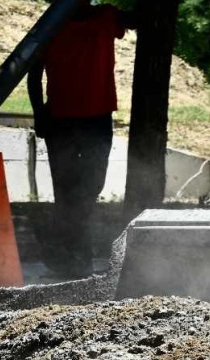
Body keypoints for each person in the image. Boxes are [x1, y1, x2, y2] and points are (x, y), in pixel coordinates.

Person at [28, 0, 134, 277]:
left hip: (95, 119)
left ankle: (71, 253)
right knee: (67, 191)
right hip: (61, 119)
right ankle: (74, 258)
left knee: (88, 188)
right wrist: (39, 113)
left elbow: (138, 19)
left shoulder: (107, 15)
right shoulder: (52, 22)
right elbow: (33, 72)